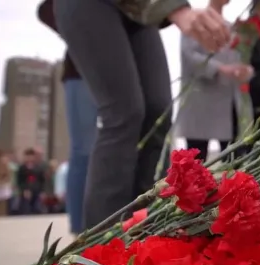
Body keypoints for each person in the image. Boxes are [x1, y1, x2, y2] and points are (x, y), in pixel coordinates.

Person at [52, 0, 231, 228]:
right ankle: (101, 246)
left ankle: (146, 232)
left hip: (135, 12)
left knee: (158, 112)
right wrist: (176, 8)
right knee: (124, 113)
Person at [37, 0, 98, 233]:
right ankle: (79, 229)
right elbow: (46, 9)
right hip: (80, 73)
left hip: (120, 73)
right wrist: (79, 32)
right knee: (83, 150)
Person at [175, 0, 254, 161]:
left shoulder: (233, 28)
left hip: (227, 104)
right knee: (196, 159)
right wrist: (220, 69)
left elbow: (241, 59)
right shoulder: (197, 19)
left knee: (231, 160)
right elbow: (189, 56)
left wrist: (246, 71)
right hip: (200, 101)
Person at [16, 148, 46, 215]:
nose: (29, 158)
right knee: (26, 210)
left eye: (31, 156)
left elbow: (42, 180)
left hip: (36, 191)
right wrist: (24, 190)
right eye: (27, 156)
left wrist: (42, 191)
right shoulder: (22, 168)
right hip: (26, 193)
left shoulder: (38, 168)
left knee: (37, 210)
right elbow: (19, 181)